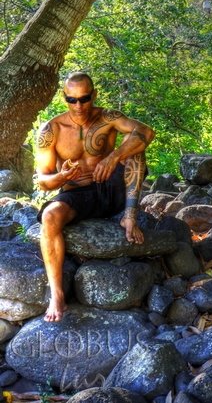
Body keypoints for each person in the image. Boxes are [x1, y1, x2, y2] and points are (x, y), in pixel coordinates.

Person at [35, 72, 155, 322]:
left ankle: (129, 218)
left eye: (84, 98)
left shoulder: (108, 117)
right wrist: (62, 177)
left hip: (111, 188)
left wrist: (114, 157)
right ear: (64, 97)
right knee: (49, 216)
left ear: (94, 95)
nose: (78, 105)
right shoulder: (51, 130)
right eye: (72, 99)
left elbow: (146, 132)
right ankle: (57, 294)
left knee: (136, 147)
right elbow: (43, 181)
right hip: (77, 194)